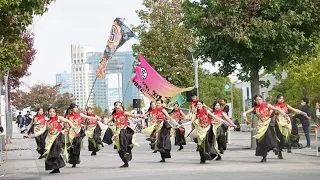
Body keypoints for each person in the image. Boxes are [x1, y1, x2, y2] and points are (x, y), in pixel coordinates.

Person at [24, 107, 76, 174]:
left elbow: (68, 121)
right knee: (50, 153)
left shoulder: (58, 118)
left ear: (55, 112)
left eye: (53, 111)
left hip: (58, 137)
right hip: (50, 139)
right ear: (48, 113)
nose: (52, 113)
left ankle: (57, 167)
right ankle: (56, 168)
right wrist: (30, 136)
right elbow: (41, 131)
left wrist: (74, 129)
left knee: (54, 153)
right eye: (50, 112)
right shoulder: (47, 122)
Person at [243, 94, 288, 162]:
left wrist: (284, 114)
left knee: (269, 136)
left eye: (260, 99)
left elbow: (277, 109)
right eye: (257, 100)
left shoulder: (267, 105)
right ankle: (264, 156)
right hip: (260, 126)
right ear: (255, 101)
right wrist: (245, 117)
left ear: (262, 99)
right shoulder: (255, 108)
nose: (258, 101)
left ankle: (274, 148)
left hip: (268, 124)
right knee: (261, 141)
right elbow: (245, 112)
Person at [103, 101, 140, 168]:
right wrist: (103, 120)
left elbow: (133, 115)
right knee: (119, 149)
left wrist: (141, 116)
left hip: (125, 131)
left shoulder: (124, 113)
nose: (117, 106)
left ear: (121, 106)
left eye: (119, 105)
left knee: (123, 140)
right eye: (116, 105)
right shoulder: (113, 115)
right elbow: (106, 122)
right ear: (114, 107)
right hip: (117, 132)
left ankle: (128, 148)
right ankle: (125, 162)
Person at [64, 103, 101, 168]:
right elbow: (65, 124)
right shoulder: (68, 116)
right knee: (71, 147)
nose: (76, 109)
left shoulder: (79, 114)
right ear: (71, 109)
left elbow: (88, 117)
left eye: (76, 107)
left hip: (79, 132)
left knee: (77, 145)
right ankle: (73, 161)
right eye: (75, 108)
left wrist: (96, 118)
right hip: (71, 133)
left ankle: (76, 159)